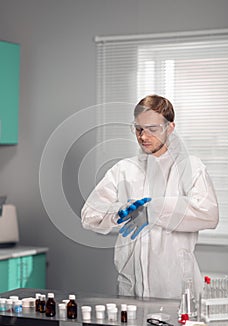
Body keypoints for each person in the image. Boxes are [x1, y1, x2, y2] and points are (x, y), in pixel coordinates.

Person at [81, 94, 219, 300]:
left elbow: (209, 214)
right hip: (131, 286)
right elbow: (89, 215)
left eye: (152, 129)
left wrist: (153, 211)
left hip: (176, 287)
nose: (143, 136)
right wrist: (120, 211)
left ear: (170, 128)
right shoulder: (124, 170)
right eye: (138, 129)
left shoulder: (190, 167)